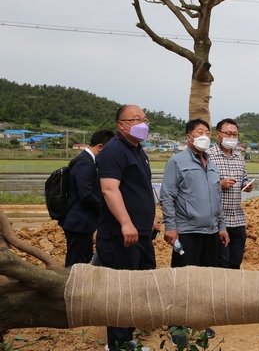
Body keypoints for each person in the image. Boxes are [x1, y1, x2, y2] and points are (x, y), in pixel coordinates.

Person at [160, 118, 230, 347]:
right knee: (182, 279)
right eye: (200, 132)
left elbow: (216, 198)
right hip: (187, 232)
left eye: (207, 132)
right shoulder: (177, 162)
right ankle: (177, 324)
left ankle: (198, 321)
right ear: (188, 137)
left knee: (204, 279)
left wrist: (221, 226)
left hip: (210, 232)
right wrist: (170, 226)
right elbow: (167, 196)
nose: (205, 136)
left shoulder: (212, 163)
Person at [96, 105, 158, 351]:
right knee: (122, 291)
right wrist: (126, 223)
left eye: (145, 119)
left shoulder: (138, 150)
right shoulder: (114, 151)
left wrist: (151, 217)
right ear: (121, 125)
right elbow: (109, 189)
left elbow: (141, 189)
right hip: (122, 235)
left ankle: (127, 336)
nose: (143, 124)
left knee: (139, 286)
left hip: (142, 233)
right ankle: (118, 344)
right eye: (136, 120)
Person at [60, 129, 114, 268]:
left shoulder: (87, 161)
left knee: (83, 256)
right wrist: (105, 207)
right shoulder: (85, 164)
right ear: (101, 147)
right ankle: (71, 288)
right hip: (79, 222)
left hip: (81, 221)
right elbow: (86, 195)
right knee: (76, 261)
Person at [206, 118, 253, 270]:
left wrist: (246, 185)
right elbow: (199, 185)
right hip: (217, 219)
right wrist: (219, 184)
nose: (232, 138)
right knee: (221, 261)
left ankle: (234, 292)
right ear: (218, 135)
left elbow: (243, 179)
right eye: (228, 134)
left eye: (235, 134)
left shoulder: (239, 158)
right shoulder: (208, 156)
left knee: (235, 261)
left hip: (238, 218)